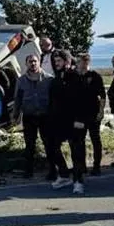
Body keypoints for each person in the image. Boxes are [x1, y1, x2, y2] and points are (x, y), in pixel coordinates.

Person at [13, 54, 52, 178]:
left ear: (39, 62)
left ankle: (53, 170)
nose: (33, 63)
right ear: (26, 64)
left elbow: (54, 99)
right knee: (29, 145)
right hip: (29, 117)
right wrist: (15, 115)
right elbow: (17, 99)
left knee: (49, 144)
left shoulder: (48, 79)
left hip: (45, 117)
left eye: (35, 61)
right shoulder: (21, 80)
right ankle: (28, 171)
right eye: (30, 61)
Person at [72, 53, 107, 180]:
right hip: (79, 114)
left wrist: (101, 111)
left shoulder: (94, 75)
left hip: (93, 113)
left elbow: (102, 95)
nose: (82, 63)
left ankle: (97, 166)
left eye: (85, 61)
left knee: (95, 139)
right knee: (79, 140)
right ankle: (81, 165)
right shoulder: (73, 76)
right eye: (81, 61)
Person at [46, 50, 75, 191]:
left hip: (72, 120)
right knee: (52, 146)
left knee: (76, 148)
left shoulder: (74, 77)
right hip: (56, 119)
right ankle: (64, 174)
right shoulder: (56, 78)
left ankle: (77, 178)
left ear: (67, 61)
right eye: (55, 61)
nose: (57, 63)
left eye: (59, 61)